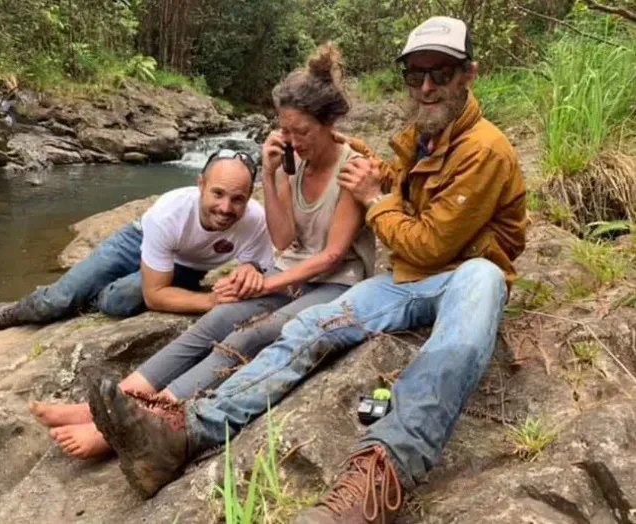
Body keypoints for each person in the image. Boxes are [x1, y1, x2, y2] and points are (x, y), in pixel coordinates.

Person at [86, 15, 527, 520]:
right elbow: (391, 181)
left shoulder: (485, 149)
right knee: (311, 325)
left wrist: (372, 198)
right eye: (415, 73)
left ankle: (377, 481)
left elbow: (427, 244)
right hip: (406, 281)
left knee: (462, 334)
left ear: (468, 74)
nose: (427, 86)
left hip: (466, 273)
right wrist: (348, 158)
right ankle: (186, 433)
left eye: (441, 73)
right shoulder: (420, 134)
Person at [30, 42, 376, 460]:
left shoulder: (354, 167)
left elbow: (331, 256)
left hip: (336, 283)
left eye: (301, 131)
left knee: (257, 333)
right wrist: (268, 173)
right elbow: (284, 241)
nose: (291, 140)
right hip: (293, 273)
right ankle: (107, 404)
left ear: (329, 123)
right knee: (218, 318)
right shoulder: (292, 161)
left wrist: (265, 281)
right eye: (284, 130)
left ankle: (144, 420)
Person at [0, 150, 275, 330]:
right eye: (218, 194)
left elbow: (262, 265)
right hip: (136, 240)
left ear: (250, 197)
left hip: (185, 265)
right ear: (200, 185)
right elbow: (155, 296)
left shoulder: (255, 219)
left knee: (119, 301)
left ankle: (91, 297)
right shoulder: (169, 213)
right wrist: (209, 300)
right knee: (57, 301)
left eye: (238, 199)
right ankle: (8, 312)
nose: (226, 208)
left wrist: (252, 267)